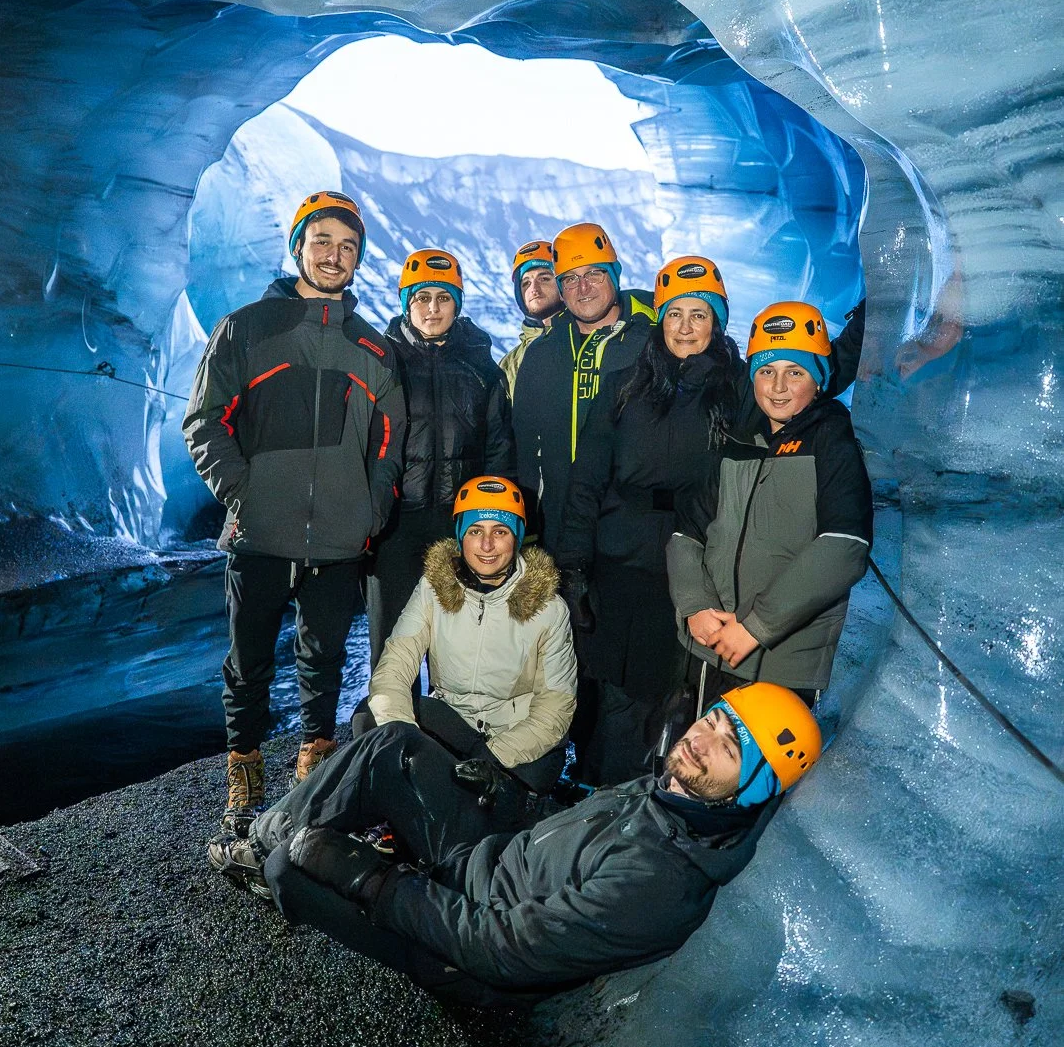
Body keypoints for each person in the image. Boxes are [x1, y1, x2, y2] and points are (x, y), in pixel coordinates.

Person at [206, 681, 821, 1008]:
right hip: (494, 856)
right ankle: (263, 839)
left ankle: (274, 854)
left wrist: (378, 880)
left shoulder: (661, 883)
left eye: (730, 748)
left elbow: (499, 948)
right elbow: (573, 823)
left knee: (297, 871)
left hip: (470, 956)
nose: (700, 739)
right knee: (392, 742)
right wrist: (507, 794)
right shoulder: (673, 790)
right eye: (712, 719)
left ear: (754, 789)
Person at [183, 190, 406, 831]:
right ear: (298, 247)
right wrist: (243, 494)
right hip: (259, 533)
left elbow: (388, 442)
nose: (335, 256)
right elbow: (205, 421)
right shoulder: (246, 329)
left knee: (324, 657)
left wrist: (370, 511)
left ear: (358, 259)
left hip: (340, 537)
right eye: (323, 242)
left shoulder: (373, 349)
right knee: (248, 662)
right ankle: (244, 771)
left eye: (348, 247)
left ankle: (313, 764)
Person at [554, 256, 748, 783]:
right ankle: (599, 786)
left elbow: (802, 391)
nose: (685, 328)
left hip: (697, 562)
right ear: (659, 320)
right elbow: (585, 483)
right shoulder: (623, 388)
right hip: (622, 557)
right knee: (614, 687)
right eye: (675, 314)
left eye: (699, 315)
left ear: (718, 321)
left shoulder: (739, 392)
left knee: (678, 686)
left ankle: (666, 788)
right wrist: (571, 567)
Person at [667, 301, 874, 704]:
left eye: (794, 372)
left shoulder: (832, 439)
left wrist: (755, 628)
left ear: (818, 379)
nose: (777, 387)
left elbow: (845, 546)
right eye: (766, 371)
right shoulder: (738, 440)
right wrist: (695, 605)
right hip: (705, 653)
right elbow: (686, 532)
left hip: (778, 668)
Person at [357, 476, 576, 809]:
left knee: (524, 780)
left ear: (516, 538)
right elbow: (395, 666)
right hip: (455, 724)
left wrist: (492, 758)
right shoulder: (432, 589)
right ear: (461, 537)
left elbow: (555, 709)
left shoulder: (549, 609)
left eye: (500, 532)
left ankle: (452, 799)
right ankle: (429, 797)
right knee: (369, 717)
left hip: (516, 738)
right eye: (475, 531)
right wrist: (400, 736)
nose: (486, 545)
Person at [368, 247, 516, 664]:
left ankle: (448, 726)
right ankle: (393, 723)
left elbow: (499, 449)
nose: (432, 309)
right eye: (421, 298)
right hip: (395, 527)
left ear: (457, 304)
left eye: (443, 298)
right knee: (394, 644)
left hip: (460, 525)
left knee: (458, 644)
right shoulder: (380, 362)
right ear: (406, 304)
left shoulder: (481, 367)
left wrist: (493, 521)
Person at [512, 221, 655, 552]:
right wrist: (527, 529)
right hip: (558, 531)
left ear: (614, 275)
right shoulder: (541, 354)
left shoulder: (651, 342)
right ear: (561, 289)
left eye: (595, 274)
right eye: (571, 279)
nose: (584, 287)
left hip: (637, 533)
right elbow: (523, 451)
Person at [498, 240, 563, 399]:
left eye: (544, 278)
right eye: (526, 283)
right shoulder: (509, 365)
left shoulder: (590, 340)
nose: (534, 289)